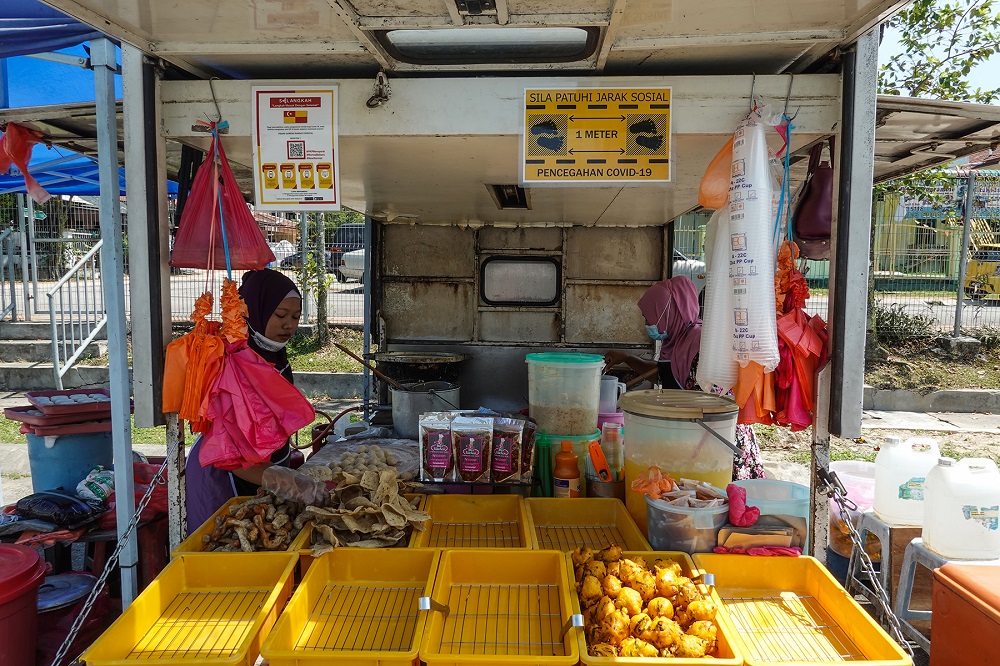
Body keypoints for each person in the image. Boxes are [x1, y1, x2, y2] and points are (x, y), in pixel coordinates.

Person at [604, 275, 765, 480]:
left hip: (720, 447)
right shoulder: (678, 342)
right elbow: (665, 375)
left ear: (668, 312)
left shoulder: (700, 345)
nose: (646, 323)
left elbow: (709, 407)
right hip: (695, 440)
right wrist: (626, 358)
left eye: (649, 317)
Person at [184, 268, 303, 532]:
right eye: (281, 315)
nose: (289, 325)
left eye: (295, 316)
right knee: (228, 546)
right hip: (225, 474)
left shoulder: (274, 355)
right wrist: (281, 479)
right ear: (255, 311)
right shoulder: (231, 360)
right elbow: (232, 452)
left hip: (264, 470)